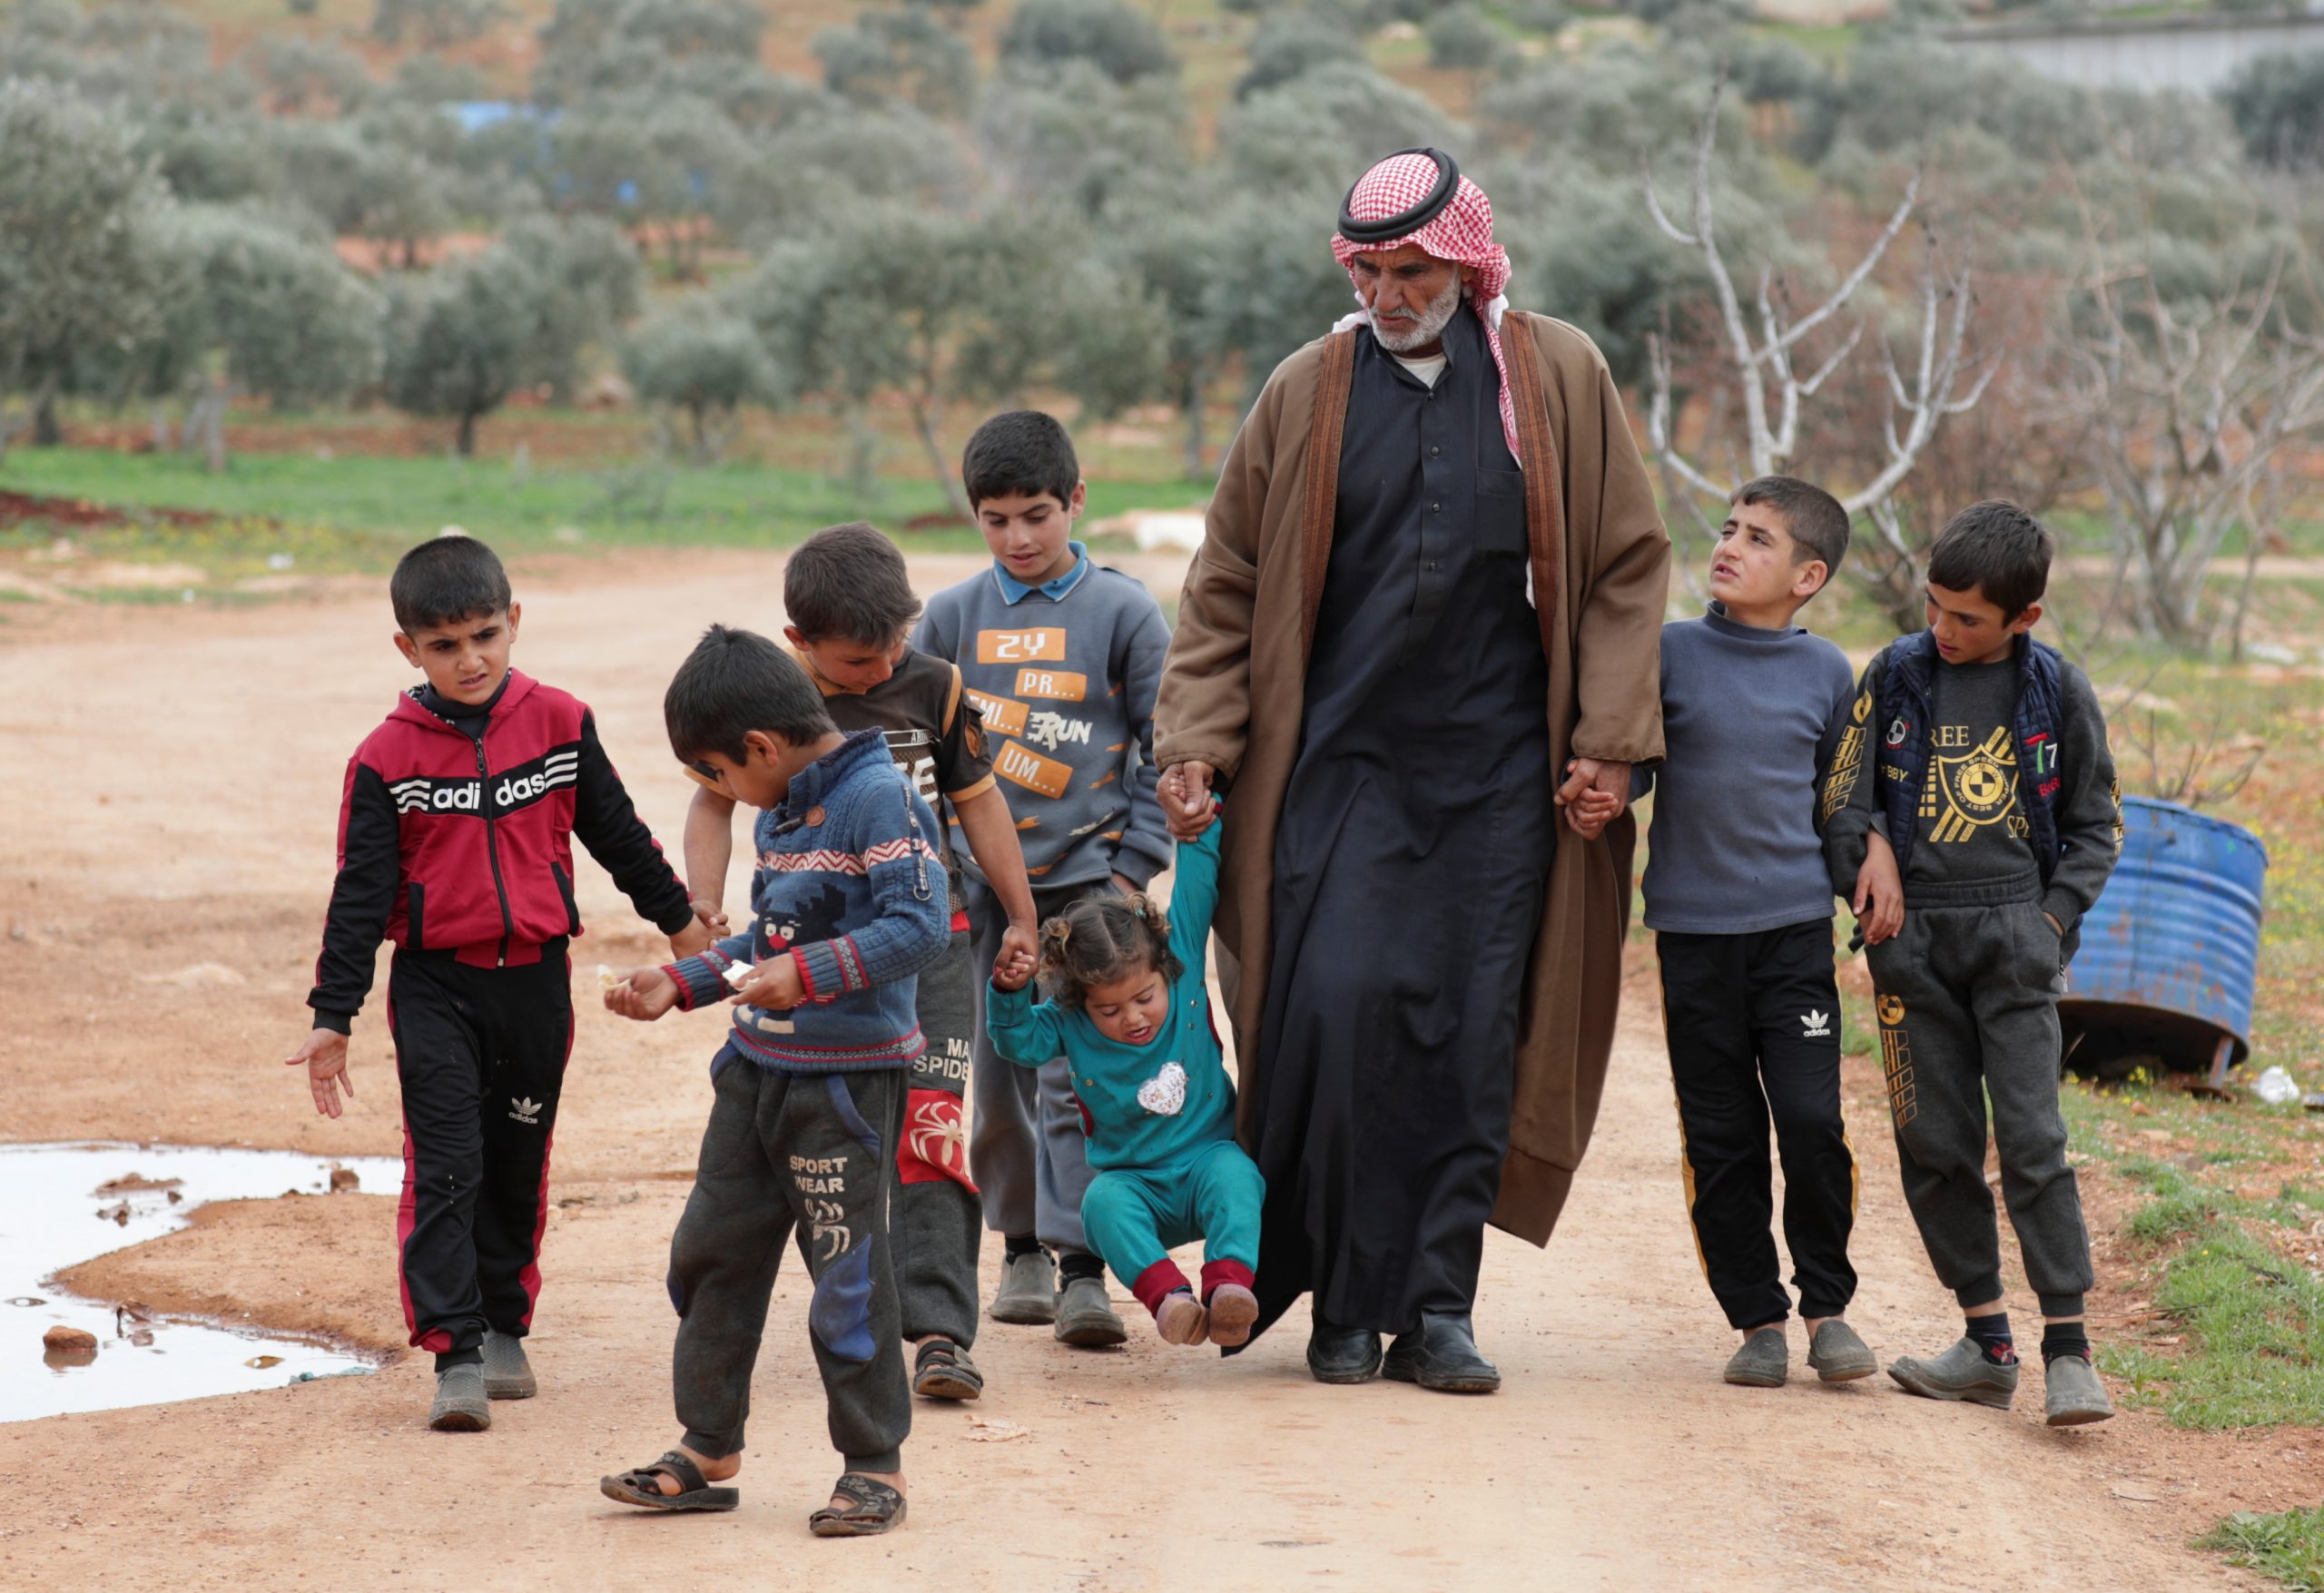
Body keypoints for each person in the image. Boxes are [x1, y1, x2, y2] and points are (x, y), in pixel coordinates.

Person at [1155, 148, 1669, 1391]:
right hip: (1338, 768)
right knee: (1330, 1016)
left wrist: (1607, 737)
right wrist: (1196, 737)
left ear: (1468, 263)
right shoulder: (1307, 390)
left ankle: (1436, 1308)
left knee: (1468, 1033)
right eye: (1372, 271)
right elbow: (1225, 583)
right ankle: (1339, 1298)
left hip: (1501, 773)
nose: (1391, 293)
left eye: (1414, 270)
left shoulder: (1556, 376)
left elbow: (1622, 564)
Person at [285, 534, 708, 1432]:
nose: (469, 659)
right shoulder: (384, 758)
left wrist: (682, 929)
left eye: (483, 634)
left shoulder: (559, 721)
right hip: (436, 985)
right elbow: (359, 894)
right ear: (408, 650)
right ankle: (456, 1351)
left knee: (517, 1160)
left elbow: (618, 833)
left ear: (514, 622)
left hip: (536, 986)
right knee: (447, 1164)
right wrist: (334, 1014)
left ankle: (506, 1327)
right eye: (444, 645)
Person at [597, 625, 947, 1533]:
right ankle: (708, 1447)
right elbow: (769, 948)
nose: (718, 796)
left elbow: (921, 927)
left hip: (843, 1089)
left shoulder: (880, 800)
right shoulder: (782, 806)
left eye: (716, 776)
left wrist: (820, 971)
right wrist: (681, 982)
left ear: (757, 748)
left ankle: (875, 1466)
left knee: (847, 1276)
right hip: (754, 1073)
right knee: (711, 1253)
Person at [681, 522, 1039, 1403]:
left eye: (894, 647)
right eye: (854, 663)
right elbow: (711, 802)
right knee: (835, 1143)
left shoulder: (940, 688)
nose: (880, 671)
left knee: (932, 1127)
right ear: (799, 642)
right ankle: (857, 1327)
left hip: (936, 941)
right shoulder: (773, 699)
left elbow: (980, 807)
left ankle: (942, 1334)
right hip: (815, 962)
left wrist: (1021, 916)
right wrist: (701, 907)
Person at [1818, 501, 2123, 1427]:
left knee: (2031, 1143)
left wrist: (2048, 922)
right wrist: (1864, 844)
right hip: (1912, 946)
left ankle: (2067, 1347)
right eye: (1933, 608)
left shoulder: (2055, 691)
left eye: (1967, 619)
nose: (1942, 631)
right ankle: (1985, 1344)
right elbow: (1842, 792)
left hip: (2013, 942)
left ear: (2023, 618)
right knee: (1935, 1146)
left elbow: (2093, 826)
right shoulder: (1896, 675)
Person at [1600, 477, 1876, 1389]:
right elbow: (1633, 766)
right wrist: (1602, 789)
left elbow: (1840, 801)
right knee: (1720, 1137)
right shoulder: (1670, 652)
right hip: (1692, 937)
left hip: (1793, 936)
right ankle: (1755, 1318)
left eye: (1757, 539)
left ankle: (1828, 1309)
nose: (1728, 547)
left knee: (1807, 1120)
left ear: (1806, 576)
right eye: (1727, 530)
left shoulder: (1825, 673)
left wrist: (1872, 864)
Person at [916, 410, 1174, 1349]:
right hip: (981, 894)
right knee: (997, 1072)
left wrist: (1130, 869)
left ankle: (1082, 1266)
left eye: (1036, 514)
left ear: (1076, 500)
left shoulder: (1122, 611)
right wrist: (947, 872)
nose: (1018, 538)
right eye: (995, 519)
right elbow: (924, 762)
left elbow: (1164, 745)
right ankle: (1017, 1245)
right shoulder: (947, 619)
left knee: (1080, 1080)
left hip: (1089, 893)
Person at [986, 811, 1263, 1349]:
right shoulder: (1067, 1021)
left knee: (1239, 1178)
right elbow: (1017, 1042)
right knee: (1099, 1204)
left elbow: (1198, 877)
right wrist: (1009, 990)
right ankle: (1172, 1301)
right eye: (1108, 1011)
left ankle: (1228, 1288)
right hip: (1134, 1182)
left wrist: (1195, 815)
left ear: (1166, 971)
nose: (1132, 1018)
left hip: (1207, 1158)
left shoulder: (1180, 959)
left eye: (1144, 998)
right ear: (1079, 1003)